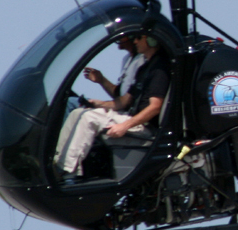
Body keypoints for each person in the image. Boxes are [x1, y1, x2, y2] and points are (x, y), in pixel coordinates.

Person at [54, 33, 170, 177]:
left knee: (88, 118)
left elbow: (155, 106)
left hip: (144, 126)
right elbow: (125, 101)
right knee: (77, 113)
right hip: (131, 118)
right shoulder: (144, 68)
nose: (135, 40)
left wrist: (124, 126)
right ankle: (57, 163)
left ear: (152, 40)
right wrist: (99, 104)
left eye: (139, 37)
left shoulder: (160, 69)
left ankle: (66, 171)